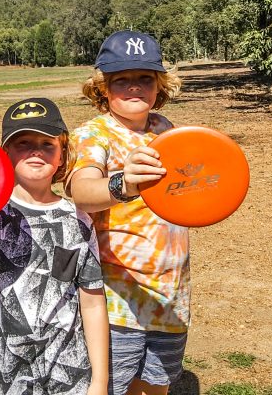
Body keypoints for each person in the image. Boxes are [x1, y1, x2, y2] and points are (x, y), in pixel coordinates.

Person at [0, 97, 109, 395]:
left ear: (62, 155)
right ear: (4, 154)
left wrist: (99, 381)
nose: (36, 152)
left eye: (47, 144)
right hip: (8, 372)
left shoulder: (78, 219)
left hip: (68, 370)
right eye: (23, 143)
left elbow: (93, 303)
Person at [67, 30, 188, 395]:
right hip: (115, 298)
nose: (134, 87)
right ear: (103, 87)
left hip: (170, 293)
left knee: (156, 386)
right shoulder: (93, 135)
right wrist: (123, 185)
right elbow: (81, 191)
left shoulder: (165, 130)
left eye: (144, 78)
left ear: (159, 84)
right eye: (122, 80)